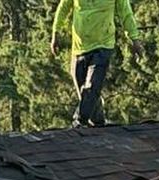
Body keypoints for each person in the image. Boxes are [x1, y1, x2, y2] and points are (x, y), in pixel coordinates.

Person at [50, 0, 142, 129]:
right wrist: (55, 33)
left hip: (103, 45)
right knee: (83, 89)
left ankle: (79, 120)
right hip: (79, 48)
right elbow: (63, 8)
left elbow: (126, 14)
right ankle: (98, 121)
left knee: (92, 85)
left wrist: (135, 39)